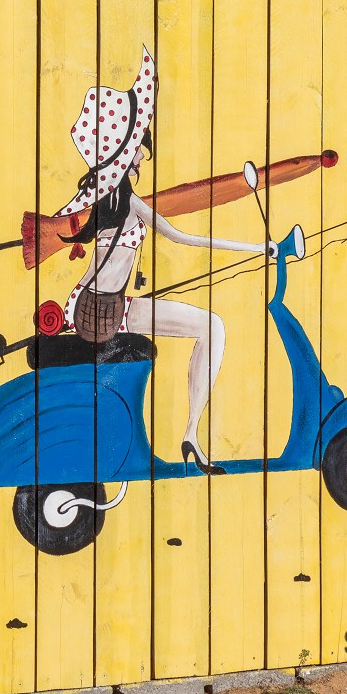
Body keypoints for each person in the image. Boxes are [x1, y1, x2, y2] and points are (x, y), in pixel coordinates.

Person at [54, 49, 272, 474]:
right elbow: (186, 238)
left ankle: (192, 433)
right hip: (109, 315)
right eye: (139, 148)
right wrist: (257, 250)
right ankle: (190, 430)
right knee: (213, 326)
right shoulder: (129, 202)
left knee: (209, 326)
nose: (143, 156)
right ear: (125, 151)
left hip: (96, 308)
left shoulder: (97, 195)